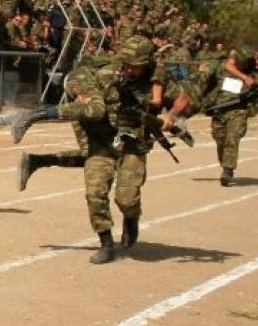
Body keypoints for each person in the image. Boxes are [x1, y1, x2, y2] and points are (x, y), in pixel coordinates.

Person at [10, 37, 188, 264]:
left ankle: (131, 218)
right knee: (95, 193)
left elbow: (184, 98)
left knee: (127, 198)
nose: (130, 69)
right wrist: (80, 98)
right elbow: (87, 99)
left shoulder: (157, 80)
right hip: (103, 142)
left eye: (136, 66)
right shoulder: (107, 76)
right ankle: (106, 243)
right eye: (127, 64)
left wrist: (171, 115)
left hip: (133, 145)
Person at [209, 47, 258, 186]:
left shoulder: (251, 74)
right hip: (220, 110)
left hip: (238, 111)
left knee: (232, 137)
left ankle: (227, 171)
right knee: (219, 138)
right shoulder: (223, 68)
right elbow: (223, 65)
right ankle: (226, 164)